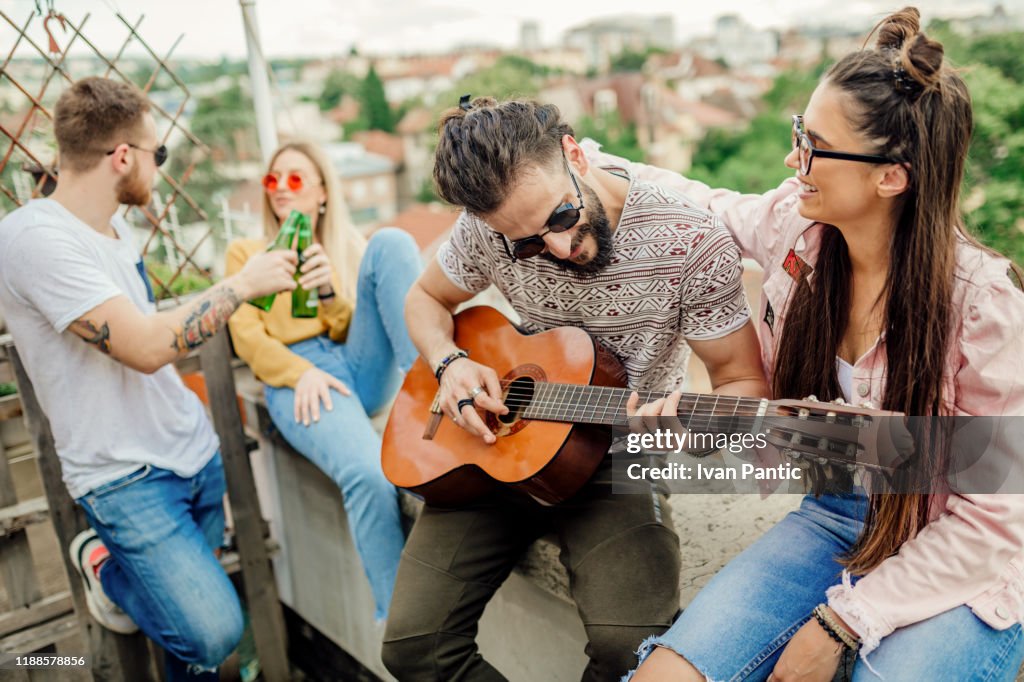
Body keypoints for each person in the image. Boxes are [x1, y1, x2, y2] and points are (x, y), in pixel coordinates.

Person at [612, 8, 1024, 681]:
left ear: (891, 176)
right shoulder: (798, 230)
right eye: (798, 131)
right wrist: (591, 169)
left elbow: (992, 521)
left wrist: (842, 623)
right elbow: (702, 204)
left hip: (964, 551)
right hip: (838, 517)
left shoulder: (985, 306)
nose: (791, 157)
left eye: (811, 143)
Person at [380, 95, 769, 682]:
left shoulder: (688, 238)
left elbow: (742, 381)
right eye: (529, 243)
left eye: (560, 218)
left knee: (631, 650)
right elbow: (426, 299)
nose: (558, 248)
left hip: (619, 458)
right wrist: (449, 362)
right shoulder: (487, 229)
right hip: (495, 448)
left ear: (573, 155)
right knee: (414, 645)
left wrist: (696, 430)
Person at [0, 77, 297, 680]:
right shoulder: (33, 238)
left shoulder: (118, 230)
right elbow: (142, 346)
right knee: (213, 633)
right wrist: (243, 284)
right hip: (122, 476)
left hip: (190, 450)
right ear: (123, 157)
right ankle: (102, 564)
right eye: (157, 154)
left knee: (191, 651)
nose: (160, 168)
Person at [225, 140, 421, 622]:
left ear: (322, 193)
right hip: (298, 378)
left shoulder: (340, 247)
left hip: (354, 363)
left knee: (391, 243)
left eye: (295, 179)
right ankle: (400, 626)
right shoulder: (247, 254)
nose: (281, 190)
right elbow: (248, 339)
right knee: (369, 476)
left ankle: (435, 392)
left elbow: (353, 329)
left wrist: (329, 292)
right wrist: (300, 372)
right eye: (273, 180)